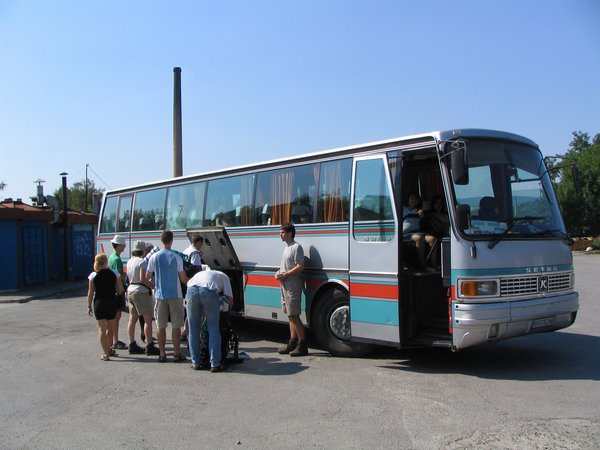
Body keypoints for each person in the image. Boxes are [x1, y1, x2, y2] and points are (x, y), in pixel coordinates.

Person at [145, 230, 189, 363]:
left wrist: (154, 284)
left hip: (160, 295)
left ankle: (162, 354)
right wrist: (193, 281)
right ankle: (176, 353)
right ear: (171, 240)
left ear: (161, 240)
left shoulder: (154, 257)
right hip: (175, 295)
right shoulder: (176, 257)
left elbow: (147, 277)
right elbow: (182, 278)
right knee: (176, 325)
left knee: (161, 325)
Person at [186, 268, 234, 372]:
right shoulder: (224, 276)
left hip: (191, 290)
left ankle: (195, 363)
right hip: (208, 291)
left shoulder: (202, 273)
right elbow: (230, 299)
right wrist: (226, 310)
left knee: (193, 330)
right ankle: (215, 364)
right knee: (213, 329)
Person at [276, 222, 308, 357]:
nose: (280, 234)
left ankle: (303, 345)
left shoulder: (296, 247)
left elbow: (300, 266)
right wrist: (279, 272)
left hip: (293, 285)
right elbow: (286, 266)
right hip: (285, 284)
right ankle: (293, 341)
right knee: (290, 315)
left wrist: (286, 275)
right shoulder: (286, 248)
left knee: (294, 315)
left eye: (282, 232)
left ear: (290, 233)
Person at [87, 253, 124, 361]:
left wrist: (89, 305)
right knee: (110, 328)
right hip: (111, 302)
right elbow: (120, 289)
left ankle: (105, 353)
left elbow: (90, 292)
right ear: (106, 262)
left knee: (101, 329)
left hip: (99, 303)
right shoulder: (114, 273)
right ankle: (109, 349)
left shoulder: (93, 275)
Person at [125, 241, 160, 356]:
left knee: (132, 319)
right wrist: (151, 284)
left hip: (130, 289)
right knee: (147, 320)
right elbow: (142, 278)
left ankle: (131, 343)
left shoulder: (129, 261)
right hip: (141, 291)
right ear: (143, 251)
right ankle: (149, 345)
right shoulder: (142, 262)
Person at [181, 234, 204, 342]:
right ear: (198, 242)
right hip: (193, 283)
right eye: (201, 244)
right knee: (194, 308)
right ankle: (188, 331)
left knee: (188, 307)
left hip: (186, 281)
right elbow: (197, 270)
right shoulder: (194, 253)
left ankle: (185, 330)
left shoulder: (186, 250)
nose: (201, 246)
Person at [108, 234, 128, 351]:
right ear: (119, 245)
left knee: (115, 316)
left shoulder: (112, 257)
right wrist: (124, 275)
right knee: (117, 315)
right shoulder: (116, 259)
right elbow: (119, 277)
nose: (124, 246)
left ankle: (114, 339)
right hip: (117, 290)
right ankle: (115, 340)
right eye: (123, 245)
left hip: (113, 290)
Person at [423, 195, 450, 269]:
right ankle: (435, 264)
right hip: (439, 234)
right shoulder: (430, 216)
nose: (438, 205)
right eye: (436, 203)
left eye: (440, 203)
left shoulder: (448, 215)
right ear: (433, 205)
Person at [402, 192, 427, 268]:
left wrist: (422, 215)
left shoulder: (419, 210)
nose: (414, 201)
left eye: (416, 199)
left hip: (418, 232)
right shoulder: (403, 209)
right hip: (406, 234)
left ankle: (434, 264)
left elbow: (423, 218)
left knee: (432, 239)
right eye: (412, 199)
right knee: (419, 238)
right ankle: (423, 265)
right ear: (408, 200)